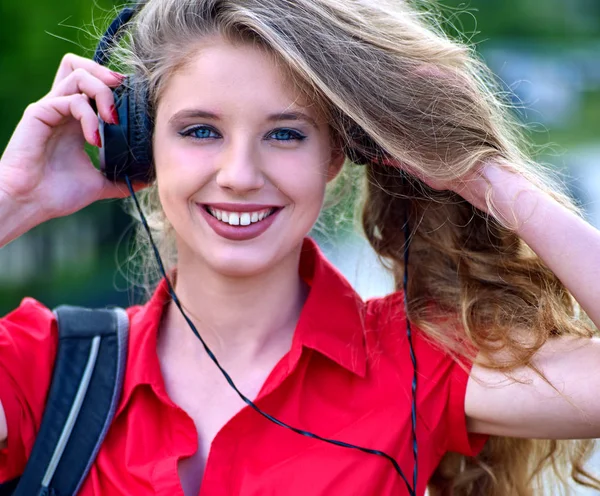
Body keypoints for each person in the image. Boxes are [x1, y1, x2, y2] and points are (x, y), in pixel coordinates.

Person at [0, 0, 599, 494]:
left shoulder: (415, 362)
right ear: (138, 143)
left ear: (335, 155)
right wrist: (15, 199)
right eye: (200, 130)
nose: (239, 173)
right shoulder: (44, 366)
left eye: (285, 133)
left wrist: (480, 172)